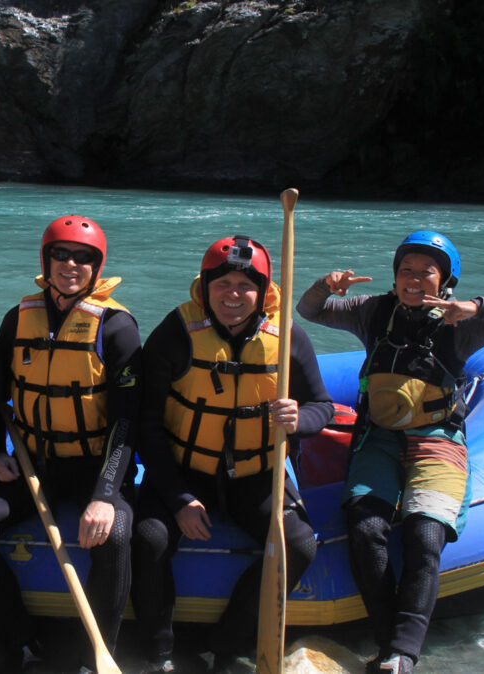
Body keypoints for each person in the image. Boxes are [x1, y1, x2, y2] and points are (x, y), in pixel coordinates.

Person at [296, 231, 484, 674]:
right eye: (405, 270)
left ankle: (403, 652)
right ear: (395, 276)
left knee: (424, 534)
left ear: (444, 279)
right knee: (367, 527)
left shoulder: (462, 321)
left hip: (437, 436)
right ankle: (391, 642)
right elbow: (309, 310)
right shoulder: (373, 310)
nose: (413, 280)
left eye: (425, 272)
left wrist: (479, 306)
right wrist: (323, 285)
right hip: (380, 435)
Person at [131, 235, 334, 672]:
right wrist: (179, 498)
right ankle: (159, 652)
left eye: (245, 285)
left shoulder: (287, 337)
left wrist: (301, 419)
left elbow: (323, 405)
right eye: (222, 284)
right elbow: (146, 424)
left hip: (254, 474)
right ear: (205, 287)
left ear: (263, 292)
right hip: (185, 471)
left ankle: (226, 643)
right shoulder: (175, 331)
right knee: (149, 538)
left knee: (297, 544)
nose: (233, 295)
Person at [0, 215, 141, 673]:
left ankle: (95, 656)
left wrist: (106, 495)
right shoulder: (18, 319)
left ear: (98, 266)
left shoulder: (117, 328)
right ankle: (23, 642)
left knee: (114, 535)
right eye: (61, 254)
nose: (70, 264)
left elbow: (127, 421)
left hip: (97, 465)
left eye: (83, 257)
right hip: (34, 464)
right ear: (45, 259)